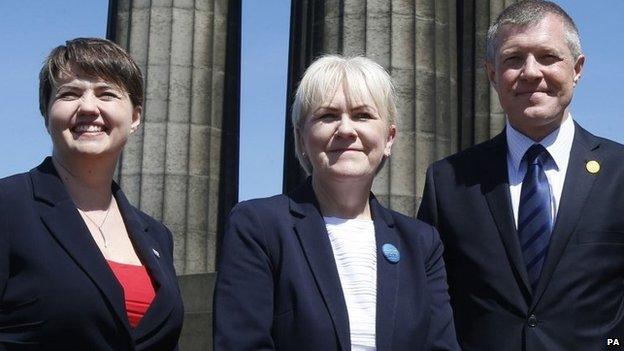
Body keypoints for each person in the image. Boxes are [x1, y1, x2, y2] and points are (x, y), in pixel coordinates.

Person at [213, 55, 459, 350]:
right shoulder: (259, 226)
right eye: (327, 116)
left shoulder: (420, 243)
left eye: (363, 115)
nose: (345, 129)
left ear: (389, 138)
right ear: (301, 137)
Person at [418, 1, 624, 350]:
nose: (530, 72)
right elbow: (430, 304)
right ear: (493, 74)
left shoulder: (619, 173)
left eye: (547, 57)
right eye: (514, 59)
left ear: (577, 68)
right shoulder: (448, 181)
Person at [0, 38, 184, 350]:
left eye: (106, 94)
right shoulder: (9, 206)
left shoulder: (157, 236)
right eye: (69, 94)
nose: (88, 107)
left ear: (135, 118)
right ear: (46, 113)